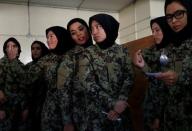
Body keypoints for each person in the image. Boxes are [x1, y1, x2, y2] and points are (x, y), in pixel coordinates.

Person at [57, 13, 133, 131]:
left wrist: (120, 103)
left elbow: (128, 77)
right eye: (73, 33)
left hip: (120, 111)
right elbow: (67, 89)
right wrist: (67, 120)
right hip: (88, 114)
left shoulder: (121, 50)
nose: (79, 34)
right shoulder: (79, 55)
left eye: (81, 29)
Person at [133, 16, 174, 131]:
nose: (154, 34)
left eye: (157, 30)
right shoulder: (152, 51)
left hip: (167, 108)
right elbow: (153, 77)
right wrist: (141, 64)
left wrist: (159, 116)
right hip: (150, 104)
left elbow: (164, 84)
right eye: (152, 31)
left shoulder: (174, 51)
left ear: (166, 29)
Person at [162, 0, 192, 130]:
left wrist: (180, 77)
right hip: (171, 120)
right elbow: (161, 81)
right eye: (169, 17)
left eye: (179, 14)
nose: (173, 21)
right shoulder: (167, 48)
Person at [0, 37, 26, 131]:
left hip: (17, 108)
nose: (11, 48)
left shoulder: (22, 66)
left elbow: (24, 88)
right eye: (8, 46)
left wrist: (24, 108)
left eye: (14, 46)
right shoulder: (1, 64)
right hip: (4, 108)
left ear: (18, 49)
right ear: (5, 50)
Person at [24, 41, 48, 131]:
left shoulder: (48, 65)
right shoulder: (27, 67)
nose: (35, 51)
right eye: (33, 49)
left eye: (38, 48)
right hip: (30, 106)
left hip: (44, 106)